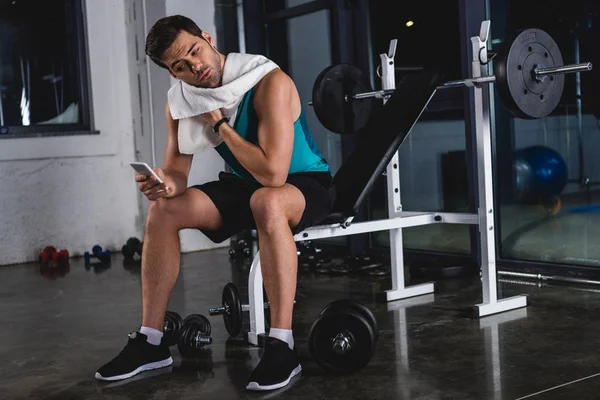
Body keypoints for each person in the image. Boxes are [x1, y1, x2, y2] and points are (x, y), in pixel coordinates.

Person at [95, 15, 335, 392]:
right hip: (244, 185)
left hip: (301, 183)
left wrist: (220, 126)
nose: (195, 67)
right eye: (181, 66)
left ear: (207, 38)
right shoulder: (182, 100)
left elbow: (273, 174)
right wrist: (161, 186)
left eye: (195, 51)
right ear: (172, 73)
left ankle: (282, 344)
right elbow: (177, 173)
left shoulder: (268, 82)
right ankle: (151, 341)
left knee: (267, 201)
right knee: (164, 211)